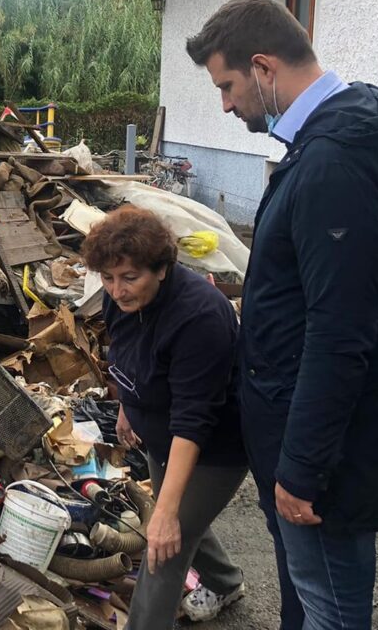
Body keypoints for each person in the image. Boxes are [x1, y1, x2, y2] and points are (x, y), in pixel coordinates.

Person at [186, 0, 378, 630]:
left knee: (330, 606)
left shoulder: (335, 161)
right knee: (314, 595)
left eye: (227, 85)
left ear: (264, 67)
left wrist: (301, 469)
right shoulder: (346, 137)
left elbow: (340, 330)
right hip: (324, 434)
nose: (224, 104)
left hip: (326, 453)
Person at [81, 206, 249, 629]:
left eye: (129, 278)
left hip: (214, 446)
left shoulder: (201, 317)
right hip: (157, 431)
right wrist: (127, 406)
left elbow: (194, 420)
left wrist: (168, 513)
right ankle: (226, 582)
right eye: (107, 278)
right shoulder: (122, 296)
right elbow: (127, 353)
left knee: (164, 545)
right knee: (173, 518)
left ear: (161, 268)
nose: (116, 291)